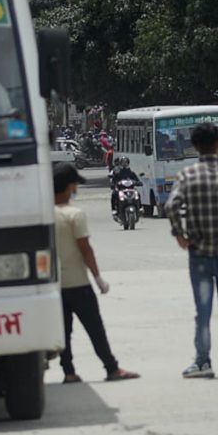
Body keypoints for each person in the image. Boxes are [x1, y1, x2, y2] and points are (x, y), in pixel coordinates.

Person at [164, 123, 218, 379]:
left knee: (202, 310)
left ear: (195, 146)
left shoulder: (187, 175)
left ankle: (203, 362)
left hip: (199, 251)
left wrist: (179, 234)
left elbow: (171, 206)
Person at [50, 162, 137, 384]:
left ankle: (68, 372)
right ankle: (111, 368)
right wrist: (98, 278)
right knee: (95, 329)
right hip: (78, 284)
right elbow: (85, 250)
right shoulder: (74, 215)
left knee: (64, 332)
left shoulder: (45, 215)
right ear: (69, 187)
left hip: (54, 285)